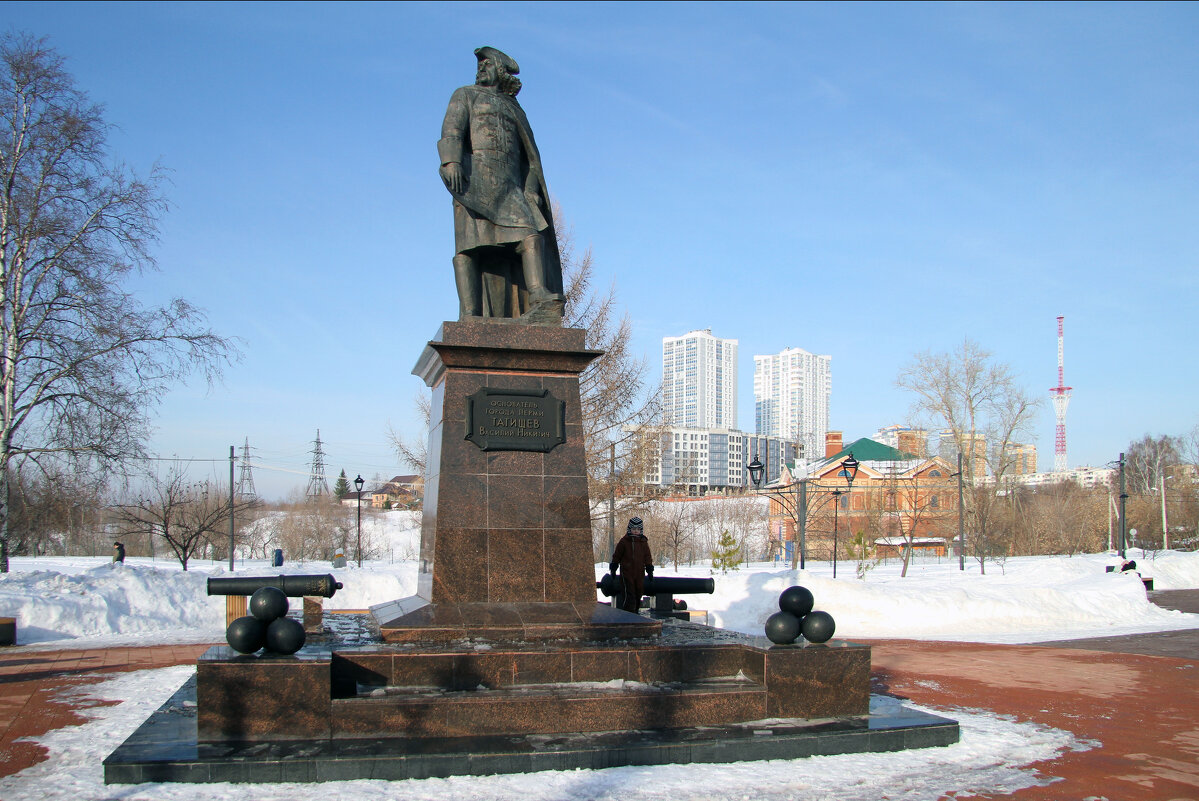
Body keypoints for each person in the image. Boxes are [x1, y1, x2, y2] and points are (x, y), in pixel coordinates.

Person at [438, 46, 565, 323]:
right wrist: (452, 162)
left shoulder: (515, 109)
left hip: (509, 187)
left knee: (531, 234)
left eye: (488, 63)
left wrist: (531, 189)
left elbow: (531, 160)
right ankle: (470, 314)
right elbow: (452, 130)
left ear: (501, 71)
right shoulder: (465, 95)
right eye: (480, 64)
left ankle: (538, 294)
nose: (481, 67)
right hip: (473, 182)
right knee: (469, 246)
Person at [609, 517, 654, 613]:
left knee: (638, 592)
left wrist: (649, 569)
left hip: (639, 572)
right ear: (629, 529)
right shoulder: (624, 542)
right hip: (627, 572)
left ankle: (636, 611)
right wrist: (614, 567)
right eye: (633, 529)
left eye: (638, 529)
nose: (635, 531)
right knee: (629, 594)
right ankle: (628, 613)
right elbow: (617, 555)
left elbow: (647, 556)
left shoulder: (643, 542)